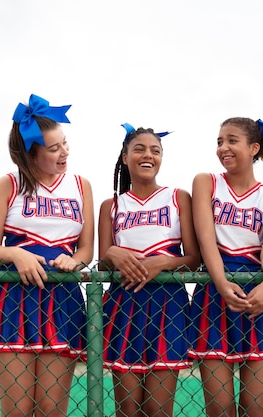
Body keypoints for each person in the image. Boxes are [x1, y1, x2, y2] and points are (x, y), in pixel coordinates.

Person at [0, 94, 94, 417]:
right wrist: (16, 255)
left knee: (52, 409)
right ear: (31, 154)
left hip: (62, 299)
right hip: (13, 299)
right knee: (18, 410)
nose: (64, 152)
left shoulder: (81, 185)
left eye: (65, 144)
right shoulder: (8, 184)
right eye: (54, 149)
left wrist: (75, 261)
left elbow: (87, 249)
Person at [188, 117, 263, 417]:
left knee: (255, 409)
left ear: (254, 147)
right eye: (220, 141)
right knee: (220, 410)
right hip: (215, 292)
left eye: (232, 140)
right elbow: (206, 238)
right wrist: (220, 283)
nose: (224, 148)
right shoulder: (206, 181)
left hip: (258, 298)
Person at [98, 124, 200, 417]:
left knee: (158, 409)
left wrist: (164, 261)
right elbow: (102, 262)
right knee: (128, 408)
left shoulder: (178, 197)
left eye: (156, 150)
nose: (148, 155)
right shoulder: (111, 205)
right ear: (125, 155)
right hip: (124, 304)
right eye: (139, 149)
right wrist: (112, 253)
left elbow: (193, 259)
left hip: (168, 305)